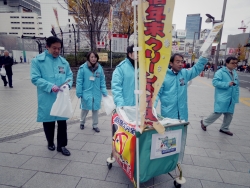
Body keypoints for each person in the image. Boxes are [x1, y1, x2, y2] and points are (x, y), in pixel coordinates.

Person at [30, 36, 73, 156]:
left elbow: (69, 76)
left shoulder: (63, 62)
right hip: (47, 97)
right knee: (48, 122)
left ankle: (62, 145)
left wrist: (68, 85)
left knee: (62, 122)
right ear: (47, 47)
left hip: (61, 97)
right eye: (54, 48)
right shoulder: (37, 61)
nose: (57, 51)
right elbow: (35, 78)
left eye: (59, 49)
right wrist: (50, 86)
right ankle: (50, 142)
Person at [155, 53, 208, 121]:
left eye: (182, 62)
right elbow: (156, 94)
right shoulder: (163, 77)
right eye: (177, 62)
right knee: (170, 131)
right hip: (168, 112)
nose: (180, 64)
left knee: (182, 130)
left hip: (182, 113)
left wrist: (202, 58)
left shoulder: (184, 73)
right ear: (171, 63)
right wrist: (151, 108)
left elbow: (195, 69)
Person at [201, 57, 239, 136]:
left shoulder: (234, 72)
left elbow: (236, 86)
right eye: (233, 63)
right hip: (222, 96)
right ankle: (204, 123)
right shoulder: (220, 72)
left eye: (236, 63)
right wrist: (227, 84)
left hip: (231, 97)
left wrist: (236, 97)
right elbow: (215, 82)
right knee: (218, 112)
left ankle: (224, 128)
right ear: (227, 63)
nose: (235, 65)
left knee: (229, 114)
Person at [76, 51, 107, 132]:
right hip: (86, 92)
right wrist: (79, 92)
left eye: (95, 57)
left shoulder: (100, 68)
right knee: (85, 109)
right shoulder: (82, 68)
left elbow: (102, 81)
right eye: (92, 57)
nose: (93, 59)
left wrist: (104, 91)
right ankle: (82, 122)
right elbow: (79, 81)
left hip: (96, 92)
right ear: (88, 58)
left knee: (95, 109)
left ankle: (95, 125)